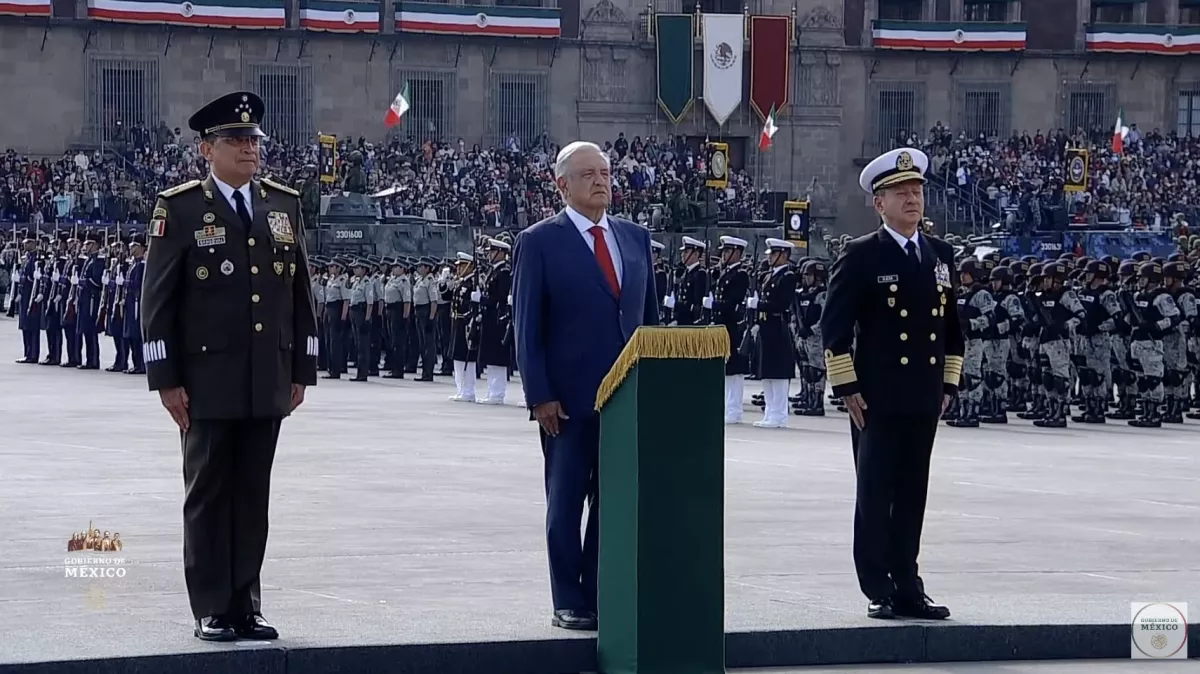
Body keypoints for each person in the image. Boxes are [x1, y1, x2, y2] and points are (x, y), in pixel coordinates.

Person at [139, 91, 319, 642]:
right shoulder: (181, 209)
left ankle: (246, 603)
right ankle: (212, 606)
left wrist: (302, 369)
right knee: (209, 495)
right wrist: (166, 380)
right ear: (207, 150)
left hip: (266, 377)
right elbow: (157, 302)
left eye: (253, 140)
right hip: (207, 382)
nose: (249, 149)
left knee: (252, 496)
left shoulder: (282, 205)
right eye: (236, 140)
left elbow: (299, 294)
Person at [512, 140, 660, 632]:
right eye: (588, 174)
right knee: (565, 502)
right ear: (562, 185)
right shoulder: (539, 242)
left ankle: (598, 593)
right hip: (569, 402)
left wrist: (654, 387)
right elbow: (527, 326)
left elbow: (649, 324)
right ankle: (568, 599)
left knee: (613, 502)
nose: (601, 181)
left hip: (626, 400)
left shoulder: (635, 238)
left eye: (605, 172)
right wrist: (540, 395)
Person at [819, 147, 963, 621]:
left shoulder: (940, 255)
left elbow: (952, 328)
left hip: (923, 394)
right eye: (901, 193)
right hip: (876, 398)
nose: (912, 200)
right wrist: (847, 388)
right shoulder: (862, 255)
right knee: (875, 494)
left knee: (913, 494)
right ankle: (878, 586)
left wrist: (948, 385)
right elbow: (834, 329)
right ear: (879, 204)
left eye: (917, 191)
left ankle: (908, 584)